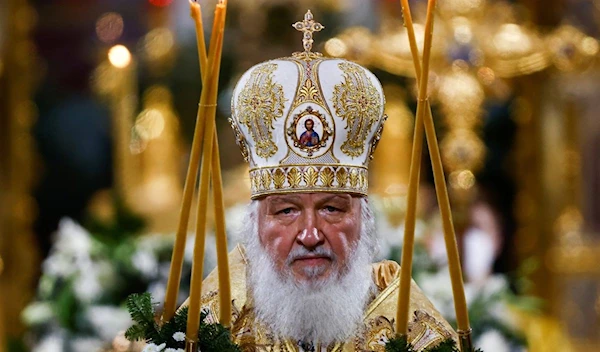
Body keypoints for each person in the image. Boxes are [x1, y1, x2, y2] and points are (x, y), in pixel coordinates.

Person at [191, 11, 457, 351]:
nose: (311, 235)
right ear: (255, 223)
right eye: (286, 211)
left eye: (332, 208)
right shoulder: (212, 329)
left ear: (365, 219)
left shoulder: (413, 332)